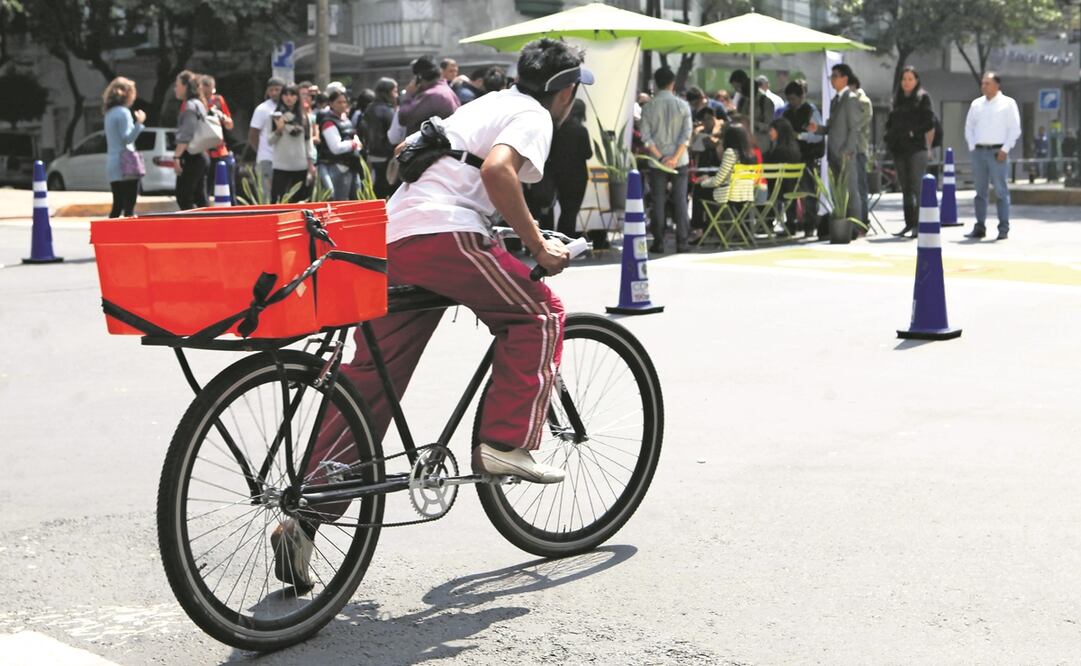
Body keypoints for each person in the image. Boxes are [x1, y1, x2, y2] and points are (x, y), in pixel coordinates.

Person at [640, 66, 693, 253]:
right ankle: (682, 241)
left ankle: (659, 241)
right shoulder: (683, 106)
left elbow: (646, 138)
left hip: (656, 161)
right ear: (672, 83)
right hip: (680, 161)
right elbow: (686, 136)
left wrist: (662, 158)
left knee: (658, 201)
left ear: (656, 83)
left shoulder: (648, 107)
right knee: (680, 200)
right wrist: (675, 158)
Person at [964, 72, 1021, 241]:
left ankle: (1003, 228)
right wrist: (972, 146)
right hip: (979, 152)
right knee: (980, 192)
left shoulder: (1008, 104)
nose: (984, 86)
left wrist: (1005, 149)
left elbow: (1014, 129)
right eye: (983, 83)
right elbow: (969, 127)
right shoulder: (976, 104)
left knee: (1001, 191)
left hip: (998, 152)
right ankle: (980, 227)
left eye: (987, 83)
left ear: (997, 85)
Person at [808, 63, 861, 230]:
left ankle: (855, 226)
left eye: (836, 76)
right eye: (831, 76)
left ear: (845, 78)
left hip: (845, 154)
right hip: (833, 153)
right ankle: (843, 225)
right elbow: (832, 128)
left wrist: (848, 150)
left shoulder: (851, 98)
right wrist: (818, 129)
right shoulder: (835, 100)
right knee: (837, 192)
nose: (832, 80)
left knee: (850, 192)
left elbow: (855, 128)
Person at [884, 65, 935, 237]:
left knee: (916, 186)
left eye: (910, 79)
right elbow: (890, 122)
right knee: (905, 188)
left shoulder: (922, 98)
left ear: (916, 81)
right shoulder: (897, 99)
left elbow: (930, 122)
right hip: (899, 149)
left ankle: (919, 226)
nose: (906, 82)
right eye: (904, 79)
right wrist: (889, 136)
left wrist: (914, 132)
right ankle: (908, 224)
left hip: (916, 149)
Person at [782, 79, 824, 237]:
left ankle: (810, 224)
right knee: (790, 191)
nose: (791, 102)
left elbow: (817, 136)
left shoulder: (811, 111)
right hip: (791, 157)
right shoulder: (786, 112)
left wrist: (799, 136)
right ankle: (791, 222)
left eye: (793, 99)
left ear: (801, 97)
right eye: (789, 99)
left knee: (809, 191)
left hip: (808, 156)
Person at [548, 98, 593, 239]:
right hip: (578, 177)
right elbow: (588, 154)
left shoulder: (557, 129)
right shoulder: (582, 131)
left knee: (563, 209)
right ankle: (567, 240)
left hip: (559, 175)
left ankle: (559, 239)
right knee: (571, 211)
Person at [103, 77, 146, 218]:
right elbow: (127, 138)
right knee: (129, 208)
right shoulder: (123, 112)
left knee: (117, 206)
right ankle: (129, 237)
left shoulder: (109, 113)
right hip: (126, 162)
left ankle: (109, 238)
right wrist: (139, 123)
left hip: (113, 162)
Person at [268, 84, 315, 203]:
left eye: (292, 94)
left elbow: (308, 141)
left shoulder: (304, 117)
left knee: (300, 202)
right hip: (281, 165)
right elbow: (270, 141)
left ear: (297, 97)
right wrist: (279, 130)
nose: (289, 98)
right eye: (286, 95)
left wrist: (311, 163)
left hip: (300, 165)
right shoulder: (276, 116)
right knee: (278, 201)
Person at [172, 70, 210, 210]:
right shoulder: (199, 103)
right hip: (201, 155)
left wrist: (177, 156)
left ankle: (195, 229)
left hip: (192, 157)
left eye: (177, 85)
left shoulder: (190, 106)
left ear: (185, 86)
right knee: (200, 198)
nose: (175, 88)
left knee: (184, 197)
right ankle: (209, 228)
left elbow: (186, 134)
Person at [317, 89, 364, 200]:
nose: (343, 105)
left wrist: (356, 143)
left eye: (344, 102)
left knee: (356, 200)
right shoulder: (328, 122)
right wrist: (353, 144)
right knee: (341, 202)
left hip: (352, 164)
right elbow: (336, 148)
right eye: (339, 102)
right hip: (338, 166)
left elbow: (354, 136)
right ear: (331, 104)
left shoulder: (345, 120)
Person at [397, 56, 460, 135]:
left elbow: (404, 118)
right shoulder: (446, 90)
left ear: (419, 77)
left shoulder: (431, 95)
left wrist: (408, 95)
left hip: (433, 145)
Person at [199, 75, 235, 203]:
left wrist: (220, 116)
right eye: (205, 93)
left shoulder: (218, 100)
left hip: (220, 150)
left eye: (210, 93)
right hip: (203, 151)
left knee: (228, 187)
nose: (208, 96)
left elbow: (230, 125)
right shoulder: (196, 103)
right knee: (204, 190)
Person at [764, 118, 802, 234]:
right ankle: (789, 224)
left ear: (779, 131)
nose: (769, 133)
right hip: (792, 189)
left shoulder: (779, 151)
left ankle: (766, 222)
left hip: (777, 190)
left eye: (772, 130)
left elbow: (769, 173)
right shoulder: (795, 148)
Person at [248, 76, 284, 201]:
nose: (274, 93)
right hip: (267, 159)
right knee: (266, 197)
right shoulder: (262, 109)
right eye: (271, 90)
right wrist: (262, 152)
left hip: (283, 161)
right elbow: (253, 135)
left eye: (277, 90)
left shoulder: (287, 108)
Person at [689, 107, 722, 233]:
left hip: (718, 179)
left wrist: (713, 142)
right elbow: (693, 152)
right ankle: (699, 226)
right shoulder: (700, 134)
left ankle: (699, 226)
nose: (707, 122)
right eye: (704, 120)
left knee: (699, 190)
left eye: (710, 119)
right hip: (705, 174)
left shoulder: (721, 132)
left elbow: (721, 155)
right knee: (697, 188)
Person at [364, 77, 399, 198]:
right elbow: (393, 134)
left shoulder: (369, 108)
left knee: (377, 190)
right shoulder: (387, 110)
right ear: (387, 92)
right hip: (387, 156)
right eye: (395, 91)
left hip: (373, 155)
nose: (396, 95)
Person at [848, 75, 873, 229]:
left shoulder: (863, 101)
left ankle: (863, 221)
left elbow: (856, 125)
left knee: (860, 187)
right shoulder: (847, 101)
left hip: (858, 150)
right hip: (847, 150)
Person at [729, 69, 774, 148]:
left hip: (761, 144)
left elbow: (768, 126)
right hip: (744, 143)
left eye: (738, 86)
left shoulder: (765, 102)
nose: (737, 90)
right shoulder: (742, 101)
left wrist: (750, 122)